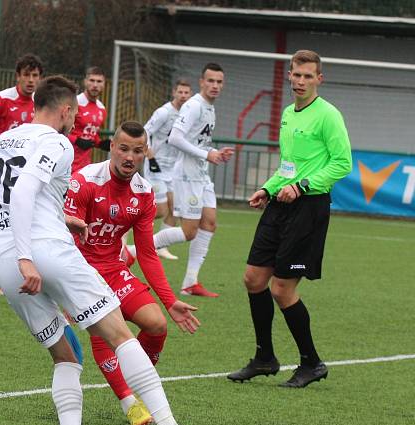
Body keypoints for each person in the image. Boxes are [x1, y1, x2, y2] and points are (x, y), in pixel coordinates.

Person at [0, 75, 212, 425]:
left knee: (67, 358)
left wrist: (55, 222)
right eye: (75, 114)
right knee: (121, 334)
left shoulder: (5, 140)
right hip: (42, 252)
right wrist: (30, 255)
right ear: (67, 111)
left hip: (4, 264)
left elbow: (5, 196)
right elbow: (25, 191)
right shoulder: (56, 142)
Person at [65, 121, 200, 425]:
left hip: (114, 269)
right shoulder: (84, 181)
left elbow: (148, 253)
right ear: (112, 147)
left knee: (157, 326)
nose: (129, 156)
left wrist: (169, 301)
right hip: (81, 272)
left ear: (145, 153)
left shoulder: (144, 193)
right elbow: (65, 239)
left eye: (137, 151)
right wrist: (66, 292)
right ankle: (128, 400)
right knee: (107, 328)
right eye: (123, 148)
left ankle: (132, 377)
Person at [228, 50, 351, 388]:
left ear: (319, 79)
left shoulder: (328, 116)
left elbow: (342, 163)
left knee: (282, 289)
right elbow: (288, 166)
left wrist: (303, 186)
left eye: (307, 76)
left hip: (308, 208)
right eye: (296, 74)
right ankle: (264, 357)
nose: (300, 81)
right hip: (280, 204)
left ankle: (312, 363)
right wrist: (268, 189)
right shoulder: (286, 114)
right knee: (253, 279)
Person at [151, 63, 234, 297]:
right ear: (201, 82)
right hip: (186, 175)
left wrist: (214, 152)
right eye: (211, 81)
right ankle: (133, 252)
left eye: (219, 81)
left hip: (201, 173)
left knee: (209, 223)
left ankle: (190, 282)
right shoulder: (194, 105)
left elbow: (198, 142)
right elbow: (175, 138)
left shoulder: (209, 108)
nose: (215, 85)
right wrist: (207, 154)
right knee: (189, 232)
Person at [0, 54, 43, 296]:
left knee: (18, 220)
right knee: (5, 220)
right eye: (27, 75)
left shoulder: (38, 103)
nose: (31, 80)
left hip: (18, 174)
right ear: (18, 76)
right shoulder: (2, 99)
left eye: (35, 76)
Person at [142, 80, 193, 260]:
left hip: (173, 169)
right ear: (174, 92)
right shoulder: (164, 112)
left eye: (187, 93)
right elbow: (145, 131)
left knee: (174, 208)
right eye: (180, 92)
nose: (183, 96)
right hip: (156, 166)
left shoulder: (188, 114)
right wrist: (149, 154)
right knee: (161, 210)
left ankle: (160, 247)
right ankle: (128, 223)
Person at [68, 66, 109, 173]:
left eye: (99, 81)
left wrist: (100, 143)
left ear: (104, 84)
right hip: (66, 162)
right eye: (92, 80)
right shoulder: (74, 103)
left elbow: (90, 134)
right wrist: (76, 140)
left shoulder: (102, 109)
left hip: (84, 166)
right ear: (85, 82)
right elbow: (58, 130)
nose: (95, 85)